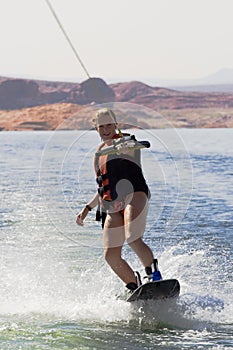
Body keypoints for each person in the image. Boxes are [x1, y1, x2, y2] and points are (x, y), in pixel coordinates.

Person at [76, 108, 162, 292]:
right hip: (112, 205)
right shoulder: (98, 153)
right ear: (96, 129)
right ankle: (134, 287)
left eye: (109, 125)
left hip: (134, 195)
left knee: (132, 238)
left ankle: (154, 276)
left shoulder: (126, 141)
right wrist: (88, 208)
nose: (106, 129)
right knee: (110, 255)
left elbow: (137, 146)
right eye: (101, 126)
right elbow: (103, 186)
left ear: (116, 125)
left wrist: (126, 146)